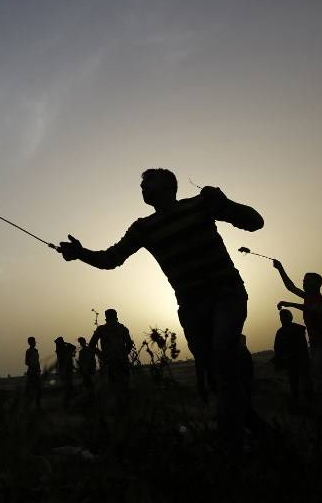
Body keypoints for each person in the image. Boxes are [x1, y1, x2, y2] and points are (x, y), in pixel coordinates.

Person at [57, 168, 264, 454]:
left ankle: (230, 444)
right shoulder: (143, 227)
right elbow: (111, 259)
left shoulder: (201, 203)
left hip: (225, 294)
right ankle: (257, 430)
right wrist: (80, 253)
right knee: (217, 372)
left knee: (222, 354)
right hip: (192, 306)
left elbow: (255, 222)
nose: (141, 187)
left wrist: (226, 203)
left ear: (168, 185)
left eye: (146, 182)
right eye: (141, 184)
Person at [272, 261, 322, 408]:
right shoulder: (308, 297)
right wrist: (280, 269)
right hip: (315, 344)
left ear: (317, 284)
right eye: (304, 280)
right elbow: (290, 286)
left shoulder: (320, 300)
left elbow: (313, 310)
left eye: (307, 281)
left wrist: (292, 304)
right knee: (318, 378)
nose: (304, 282)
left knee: (321, 379)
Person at [272, 309, 312, 410]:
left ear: (290, 317)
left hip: (299, 361)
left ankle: (308, 405)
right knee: (294, 385)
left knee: (305, 384)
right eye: (282, 317)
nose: (282, 319)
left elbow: (302, 347)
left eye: (284, 316)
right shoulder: (280, 332)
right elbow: (277, 348)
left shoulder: (297, 329)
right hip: (291, 363)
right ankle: (296, 405)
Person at [89, 309, 133, 386]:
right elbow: (129, 344)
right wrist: (124, 355)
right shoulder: (123, 329)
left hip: (109, 363)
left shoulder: (101, 329)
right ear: (116, 316)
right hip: (122, 362)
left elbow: (91, 344)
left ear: (106, 317)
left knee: (113, 388)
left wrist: (102, 356)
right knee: (125, 387)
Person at [54, 337, 76, 408]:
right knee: (67, 384)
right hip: (65, 369)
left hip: (66, 368)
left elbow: (73, 348)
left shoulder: (62, 349)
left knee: (67, 384)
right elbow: (73, 347)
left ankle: (68, 400)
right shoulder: (61, 349)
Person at [25, 337, 42, 409]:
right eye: (33, 342)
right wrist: (33, 366)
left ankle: (37, 406)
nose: (35, 343)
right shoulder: (28, 351)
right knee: (30, 390)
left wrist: (38, 369)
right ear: (30, 343)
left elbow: (37, 362)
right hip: (31, 373)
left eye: (34, 341)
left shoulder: (36, 351)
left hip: (36, 372)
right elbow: (27, 362)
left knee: (38, 390)